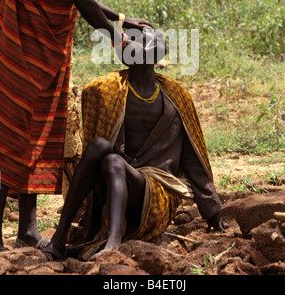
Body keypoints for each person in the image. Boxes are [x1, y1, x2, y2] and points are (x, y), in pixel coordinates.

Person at [0, 0, 149, 253]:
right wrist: (118, 37)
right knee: (8, 136)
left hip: (47, 48)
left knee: (38, 134)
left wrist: (122, 17)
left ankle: (28, 230)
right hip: (21, 46)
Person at [43, 27, 227, 261]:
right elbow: (96, 132)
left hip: (156, 190)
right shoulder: (112, 89)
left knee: (113, 162)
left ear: (152, 52)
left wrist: (212, 209)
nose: (126, 43)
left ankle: (114, 240)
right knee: (101, 147)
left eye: (135, 41)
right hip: (115, 181)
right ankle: (59, 237)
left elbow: (193, 156)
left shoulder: (175, 97)